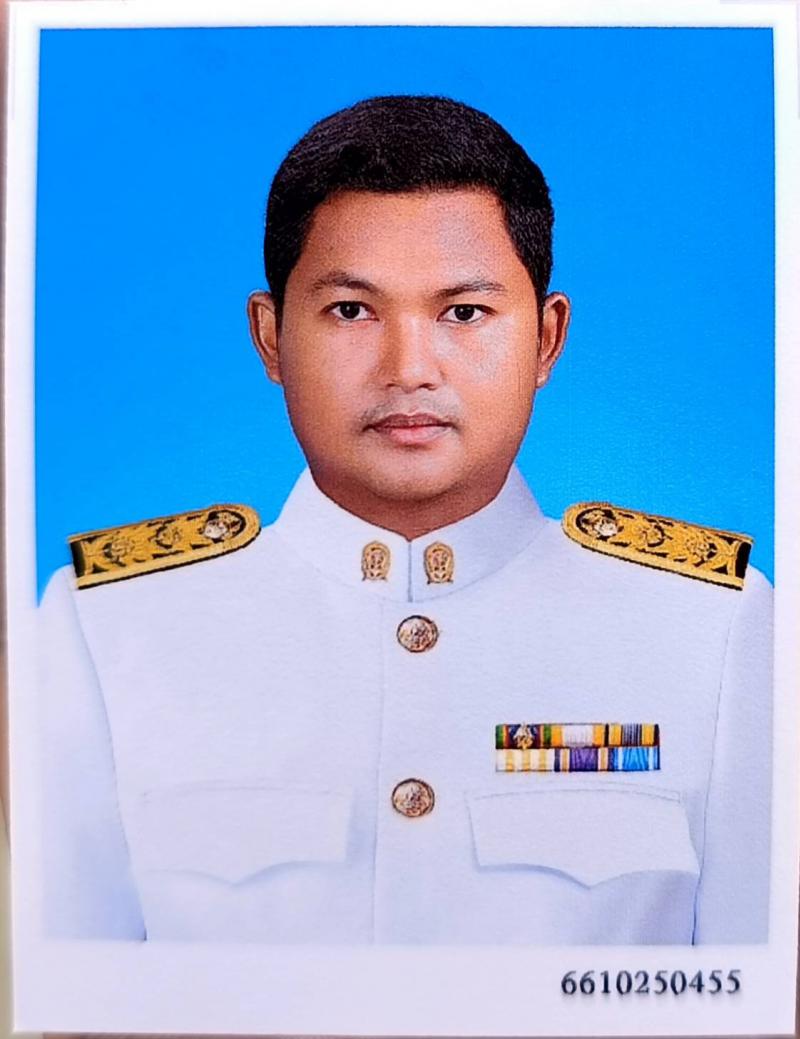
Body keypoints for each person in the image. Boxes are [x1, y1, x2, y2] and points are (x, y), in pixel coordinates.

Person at [38, 95, 772, 945]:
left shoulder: (710, 631)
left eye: (464, 312)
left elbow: (759, 996)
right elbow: (62, 995)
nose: (409, 368)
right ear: (271, 337)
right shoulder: (110, 628)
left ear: (546, 339)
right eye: (352, 310)